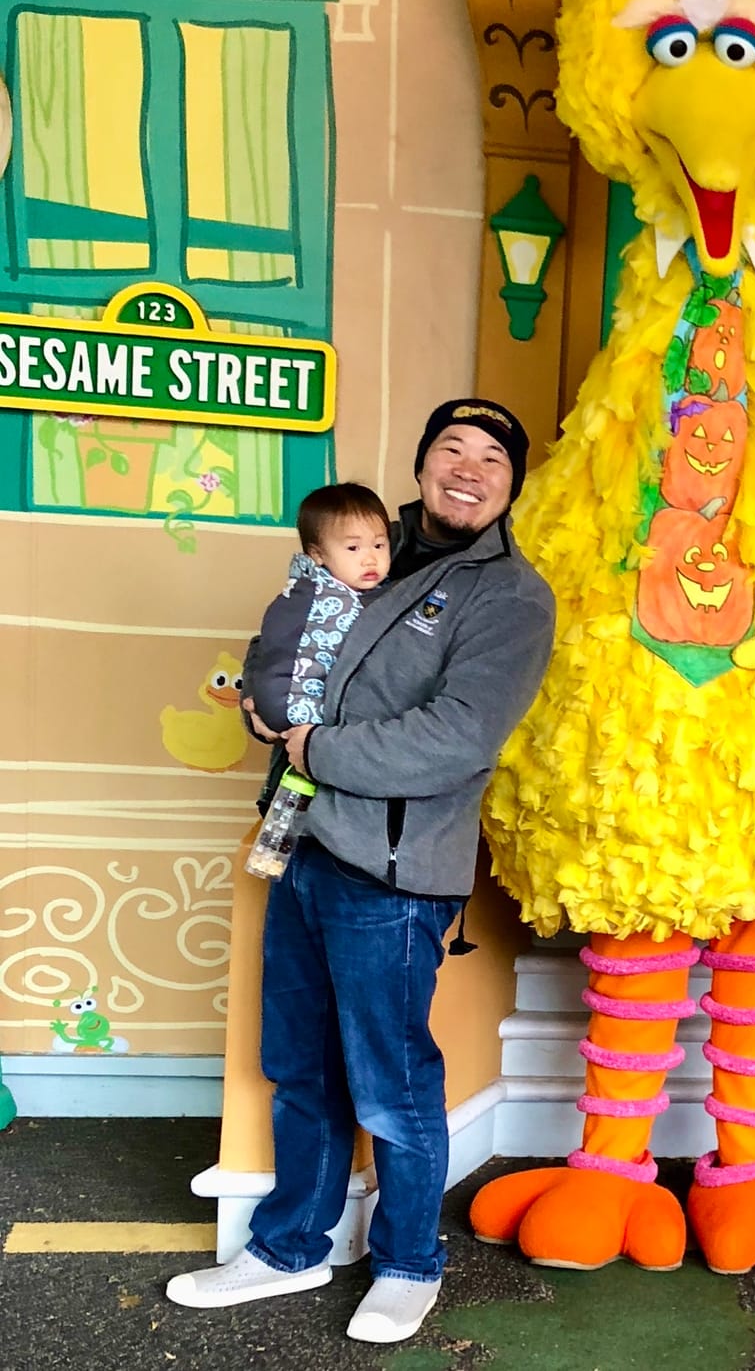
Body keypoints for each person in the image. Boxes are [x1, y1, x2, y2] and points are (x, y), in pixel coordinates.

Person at [167, 399, 555, 1345]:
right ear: (422, 464)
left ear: (510, 485)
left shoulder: (508, 595)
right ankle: (291, 1246)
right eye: (450, 450)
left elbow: (456, 739)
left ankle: (410, 1263)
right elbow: (285, 647)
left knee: (391, 1082)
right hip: (300, 847)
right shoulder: (356, 546)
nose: (468, 469)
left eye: (491, 459)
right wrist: (267, 709)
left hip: (390, 872)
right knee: (298, 1064)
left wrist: (311, 743)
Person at [247, 482, 393, 734]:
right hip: (295, 705)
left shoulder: (353, 589)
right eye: (353, 548)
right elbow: (272, 645)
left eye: (379, 545)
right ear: (317, 555)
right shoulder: (315, 596)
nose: (370, 558)